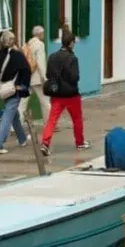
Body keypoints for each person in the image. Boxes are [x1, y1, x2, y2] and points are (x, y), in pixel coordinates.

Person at [40, 28, 89, 156]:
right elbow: (75, 77)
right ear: (71, 43)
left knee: (52, 120)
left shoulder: (52, 57)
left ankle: (45, 143)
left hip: (57, 94)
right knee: (77, 119)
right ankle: (79, 142)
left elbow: (48, 74)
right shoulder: (72, 58)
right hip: (71, 94)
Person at [0, 30, 31, 155]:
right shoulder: (17, 55)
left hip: (4, 89)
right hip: (14, 89)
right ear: (12, 41)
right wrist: (23, 86)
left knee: (14, 115)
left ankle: (22, 139)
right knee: (7, 117)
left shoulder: (0, 54)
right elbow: (27, 69)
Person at [18, 26, 51, 123]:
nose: (44, 35)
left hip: (27, 77)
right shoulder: (40, 45)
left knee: (22, 103)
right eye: (43, 33)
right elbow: (40, 63)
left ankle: (15, 125)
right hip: (37, 79)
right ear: (40, 34)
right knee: (45, 102)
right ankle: (49, 123)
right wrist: (45, 78)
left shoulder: (27, 44)